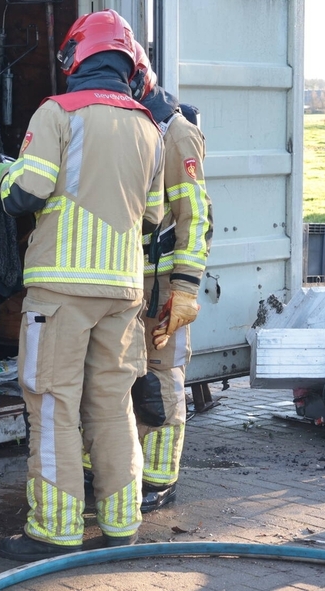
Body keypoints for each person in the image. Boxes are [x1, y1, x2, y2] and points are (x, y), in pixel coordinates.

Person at [0, 9, 164, 562]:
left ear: (76, 57)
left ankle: (55, 529)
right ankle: (122, 523)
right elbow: (153, 216)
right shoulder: (149, 126)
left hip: (61, 289)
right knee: (112, 404)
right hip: (124, 291)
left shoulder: (57, 112)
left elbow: (27, 192)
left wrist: (3, 171)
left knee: (52, 404)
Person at [134, 71, 214, 513]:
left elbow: (195, 216)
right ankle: (106, 469)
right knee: (116, 377)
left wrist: (184, 288)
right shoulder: (130, 123)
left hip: (163, 286)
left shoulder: (177, 133)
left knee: (162, 377)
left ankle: (160, 479)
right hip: (127, 284)